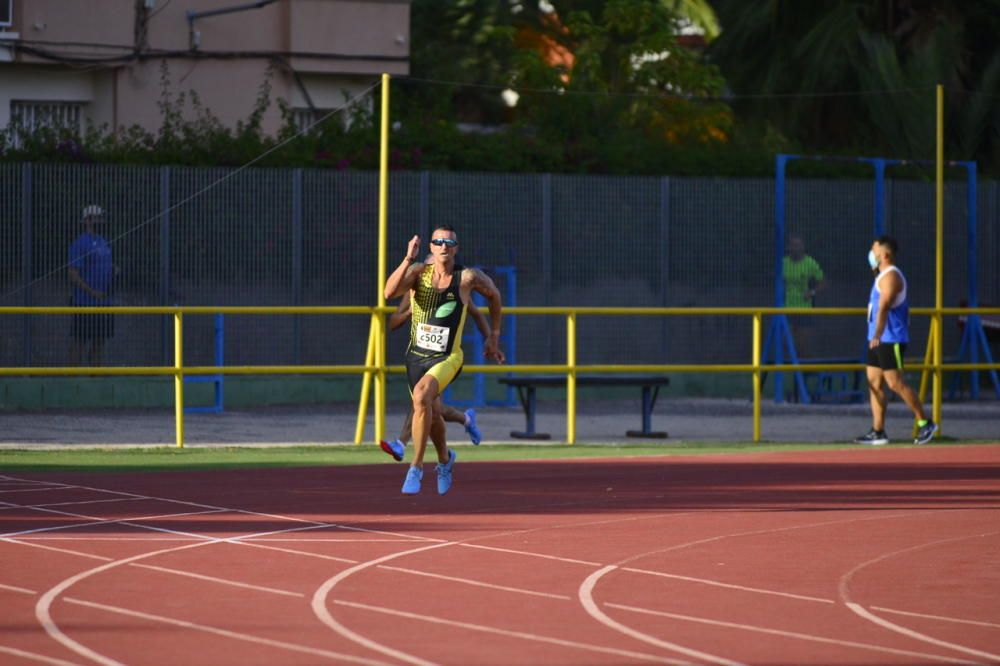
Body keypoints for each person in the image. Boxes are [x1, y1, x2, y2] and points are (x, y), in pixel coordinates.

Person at [384, 225, 504, 495]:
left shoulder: (466, 278)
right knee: (432, 413)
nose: (443, 246)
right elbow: (388, 293)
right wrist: (407, 258)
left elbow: (494, 296)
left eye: (449, 242)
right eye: (438, 241)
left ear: (456, 248)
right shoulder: (418, 273)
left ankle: (415, 467)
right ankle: (445, 460)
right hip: (416, 357)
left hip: (447, 356)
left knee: (421, 395)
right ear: (430, 247)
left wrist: (493, 336)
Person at [379, 287, 495, 461]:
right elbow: (394, 322)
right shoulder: (413, 288)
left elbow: (477, 315)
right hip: (419, 359)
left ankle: (401, 444)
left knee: (421, 398)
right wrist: (410, 311)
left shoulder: (456, 287)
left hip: (443, 360)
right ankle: (465, 422)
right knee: (434, 410)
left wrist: (491, 338)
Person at [854, 235, 937, 445]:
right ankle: (878, 430)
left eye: (874, 251)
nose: (870, 254)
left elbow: (884, 307)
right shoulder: (880, 276)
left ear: (884, 254)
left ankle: (924, 422)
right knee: (874, 383)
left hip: (890, 339)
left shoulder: (891, 276)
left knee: (895, 383)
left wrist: (878, 334)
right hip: (876, 339)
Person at [68, 204, 115, 366]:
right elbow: (73, 274)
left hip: (104, 302)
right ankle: (73, 379)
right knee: (80, 340)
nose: (101, 221)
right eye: (97, 218)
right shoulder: (80, 243)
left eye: (102, 218)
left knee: (99, 340)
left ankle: (96, 376)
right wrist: (92, 292)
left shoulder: (104, 242)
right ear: (88, 220)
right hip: (84, 303)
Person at [783, 234, 826, 358]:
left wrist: (812, 292)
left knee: (803, 344)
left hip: (804, 309)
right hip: (786, 309)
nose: (795, 248)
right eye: (792, 245)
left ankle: (802, 372)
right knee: (788, 343)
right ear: (788, 247)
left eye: (798, 245)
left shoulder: (810, 263)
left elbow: (823, 282)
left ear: (803, 247)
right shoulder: (783, 263)